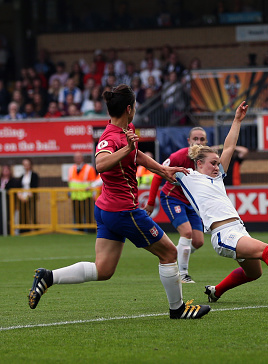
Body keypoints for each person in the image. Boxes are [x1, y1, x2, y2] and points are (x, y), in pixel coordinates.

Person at [28, 84, 210, 320]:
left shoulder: (127, 129)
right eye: (134, 106)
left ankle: (48, 276)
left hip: (107, 210)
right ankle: (178, 309)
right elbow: (101, 164)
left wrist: (162, 170)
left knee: (103, 270)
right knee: (169, 254)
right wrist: (127, 149)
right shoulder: (110, 137)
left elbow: (137, 155)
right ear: (129, 108)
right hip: (124, 211)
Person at [175, 101, 268, 303]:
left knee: (254, 273)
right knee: (266, 251)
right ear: (199, 163)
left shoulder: (216, 177)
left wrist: (237, 120)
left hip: (238, 230)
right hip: (223, 234)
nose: (217, 166)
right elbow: (159, 169)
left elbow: (230, 146)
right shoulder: (187, 176)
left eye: (218, 163)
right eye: (213, 163)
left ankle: (216, 291)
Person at [145, 127, 209, 284]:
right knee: (186, 233)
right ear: (189, 141)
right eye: (195, 139)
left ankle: (175, 253)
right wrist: (151, 202)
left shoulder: (207, 160)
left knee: (198, 242)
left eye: (202, 139)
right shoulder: (178, 156)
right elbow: (157, 175)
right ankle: (182, 274)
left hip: (190, 202)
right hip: (171, 198)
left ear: (206, 142)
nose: (198, 142)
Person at [68, 152, 98, 229]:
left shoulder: (89, 169)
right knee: (77, 215)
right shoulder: (71, 169)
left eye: (79, 157)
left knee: (88, 214)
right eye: (76, 158)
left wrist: (93, 195)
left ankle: (89, 229)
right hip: (75, 196)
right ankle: (79, 230)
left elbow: (93, 182)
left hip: (86, 195)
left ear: (82, 158)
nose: (77, 159)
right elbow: (71, 182)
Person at [16, 158, 39, 231]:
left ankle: (35, 229)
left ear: (30, 165)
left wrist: (29, 195)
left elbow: (35, 185)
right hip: (23, 197)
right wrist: (21, 196)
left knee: (32, 213)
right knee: (23, 213)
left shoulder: (34, 175)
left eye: (27, 164)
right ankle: (24, 230)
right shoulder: (22, 175)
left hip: (31, 196)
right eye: (24, 164)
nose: (26, 166)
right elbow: (19, 186)